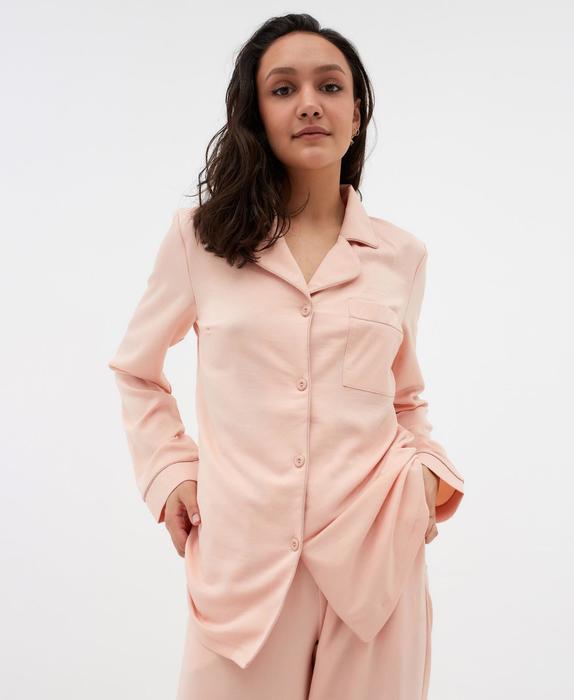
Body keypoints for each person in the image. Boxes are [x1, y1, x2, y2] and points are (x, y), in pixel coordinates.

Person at [107, 12, 465, 700]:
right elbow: (136, 370)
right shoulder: (200, 240)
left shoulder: (401, 256)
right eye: (282, 88)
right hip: (244, 566)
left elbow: (404, 399)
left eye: (330, 86)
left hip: (376, 556)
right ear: (256, 113)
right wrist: (171, 471)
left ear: (356, 114)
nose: (309, 103)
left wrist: (425, 476)